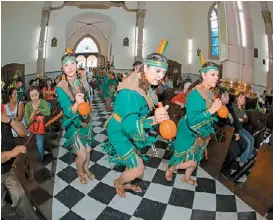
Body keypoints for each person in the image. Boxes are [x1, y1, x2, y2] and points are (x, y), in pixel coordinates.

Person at [102, 53, 170, 198]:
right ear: (145, 67)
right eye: (157, 71)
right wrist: (154, 120)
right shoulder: (130, 92)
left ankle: (126, 181)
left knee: (133, 162)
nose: (161, 76)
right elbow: (129, 126)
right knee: (138, 168)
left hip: (132, 126)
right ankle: (119, 182)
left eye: (163, 72)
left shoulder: (143, 79)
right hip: (120, 131)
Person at [165, 62, 222, 185]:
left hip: (202, 130)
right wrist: (212, 110)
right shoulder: (195, 94)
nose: (217, 77)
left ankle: (186, 177)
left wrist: (219, 110)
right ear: (204, 75)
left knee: (196, 157)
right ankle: (171, 168)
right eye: (213, 74)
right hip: (189, 130)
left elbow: (210, 111)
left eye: (217, 74)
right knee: (188, 160)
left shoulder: (210, 92)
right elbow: (192, 120)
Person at [56, 51, 95, 184]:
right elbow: (67, 112)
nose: (70, 67)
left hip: (86, 121)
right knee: (82, 154)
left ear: (77, 64)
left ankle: (86, 168)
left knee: (88, 151)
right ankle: (79, 171)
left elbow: (89, 98)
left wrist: (87, 103)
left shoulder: (82, 80)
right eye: (66, 65)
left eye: (73, 63)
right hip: (73, 124)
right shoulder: (60, 87)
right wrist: (76, 104)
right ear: (63, 68)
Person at [1, 104, 40, 220]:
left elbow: (23, 133)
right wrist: (12, 153)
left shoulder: (3, 122)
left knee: (20, 195)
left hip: (7, 169)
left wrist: (10, 120)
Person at [25, 86, 51, 161]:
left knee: (39, 146)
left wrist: (40, 110)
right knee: (29, 146)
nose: (34, 97)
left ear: (39, 93)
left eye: (36, 95)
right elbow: (28, 122)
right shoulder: (28, 105)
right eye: (32, 96)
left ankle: (41, 162)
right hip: (30, 128)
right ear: (29, 96)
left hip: (40, 128)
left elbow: (48, 112)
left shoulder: (42, 102)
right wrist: (33, 113)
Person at [232, 92, 255, 165]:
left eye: (244, 98)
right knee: (247, 142)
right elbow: (237, 119)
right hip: (237, 130)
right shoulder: (234, 106)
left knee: (252, 138)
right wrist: (242, 117)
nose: (243, 100)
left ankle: (248, 157)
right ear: (237, 98)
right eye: (241, 98)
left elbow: (246, 119)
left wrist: (242, 118)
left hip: (241, 128)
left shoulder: (242, 107)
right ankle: (243, 161)